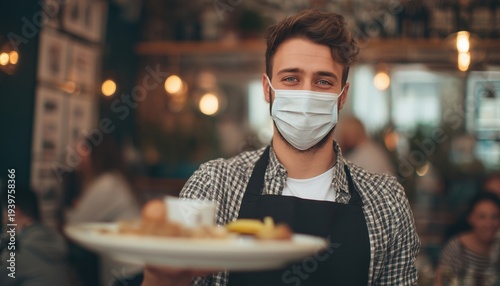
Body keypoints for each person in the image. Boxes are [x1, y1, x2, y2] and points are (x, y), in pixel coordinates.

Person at [142, 9, 420, 286]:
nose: (306, 94)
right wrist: (159, 275)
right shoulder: (214, 186)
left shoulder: (386, 201)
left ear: (342, 96)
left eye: (323, 82)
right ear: (267, 89)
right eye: (291, 79)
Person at [64, 134, 142, 286]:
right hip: (133, 266)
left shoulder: (107, 184)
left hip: (128, 270)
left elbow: (74, 224)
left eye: (83, 151)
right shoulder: (115, 179)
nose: (79, 159)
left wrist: (72, 208)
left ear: (95, 154)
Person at [0, 188, 72, 286]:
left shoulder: (19, 251)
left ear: (14, 212)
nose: (3, 222)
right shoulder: (54, 238)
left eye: (4, 215)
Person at [435, 192, 500, 286]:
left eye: (495, 217)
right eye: (482, 217)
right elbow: (441, 280)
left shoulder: (497, 246)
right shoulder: (457, 247)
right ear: (471, 218)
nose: (489, 224)